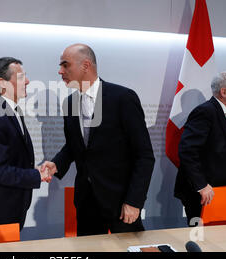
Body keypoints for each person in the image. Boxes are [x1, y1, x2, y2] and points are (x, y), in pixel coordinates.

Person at [43, 44, 155, 236]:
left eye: (65, 65)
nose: (60, 71)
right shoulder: (69, 103)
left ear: (86, 65)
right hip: (86, 203)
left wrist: (134, 202)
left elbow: (144, 156)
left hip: (122, 203)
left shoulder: (122, 98)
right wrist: (56, 164)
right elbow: (74, 146)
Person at [0, 57, 51, 230]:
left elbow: (13, 159)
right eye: (22, 77)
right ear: (3, 83)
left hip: (10, 207)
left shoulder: (11, 110)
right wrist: (35, 176)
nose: (28, 81)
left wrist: (34, 171)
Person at [174, 71, 226, 226]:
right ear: (224, 92)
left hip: (224, 191)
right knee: (201, 240)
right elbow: (187, 151)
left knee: (223, 240)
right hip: (203, 195)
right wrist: (201, 185)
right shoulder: (205, 112)